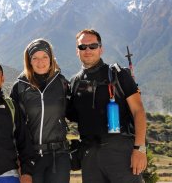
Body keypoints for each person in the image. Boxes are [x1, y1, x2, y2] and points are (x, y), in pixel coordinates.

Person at [68, 29, 147, 183]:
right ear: (77, 51)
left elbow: (139, 111)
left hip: (121, 154)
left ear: (101, 49)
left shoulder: (119, 74)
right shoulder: (75, 82)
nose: (88, 50)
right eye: (82, 47)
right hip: (90, 157)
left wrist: (140, 149)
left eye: (93, 46)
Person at [10, 38, 71, 183]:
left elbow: (77, 112)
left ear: (51, 59)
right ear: (29, 61)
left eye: (45, 57)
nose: (40, 62)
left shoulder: (62, 83)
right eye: (35, 58)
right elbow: (14, 126)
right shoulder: (20, 87)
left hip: (59, 156)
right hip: (30, 157)